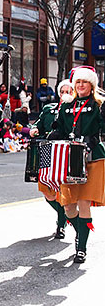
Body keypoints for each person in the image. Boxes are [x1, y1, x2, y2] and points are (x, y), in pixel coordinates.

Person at [51, 66, 105, 264]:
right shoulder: (66, 106)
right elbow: (60, 129)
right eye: (78, 82)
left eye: (85, 82)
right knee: (68, 208)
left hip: (93, 158)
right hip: (70, 157)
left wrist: (93, 140)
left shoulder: (99, 105)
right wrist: (53, 135)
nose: (81, 85)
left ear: (92, 85)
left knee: (84, 203)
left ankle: (81, 247)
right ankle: (80, 231)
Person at [30, 79, 73, 239]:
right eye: (62, 92)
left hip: (65, 154)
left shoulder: (74, 111)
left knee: (63, 192)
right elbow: (39, 124)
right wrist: (34, 129)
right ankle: (66, 215)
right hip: (47, 152)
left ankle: (61, 225)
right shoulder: (49, 109)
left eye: (69, 92)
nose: (65, 95)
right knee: (48, 193)